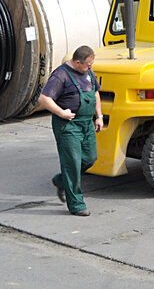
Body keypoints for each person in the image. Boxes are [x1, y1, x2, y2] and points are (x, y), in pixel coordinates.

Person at [38, 45, 104, 216]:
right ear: (77, 62)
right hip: (68, 125)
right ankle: (76, 204)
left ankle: (61, 180)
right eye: (88, 65)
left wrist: (99, 116)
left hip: (87, 124)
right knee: (72, 163)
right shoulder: (61, 75)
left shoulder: (88, 73)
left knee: (90, 158)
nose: (90, 68)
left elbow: (95, 93)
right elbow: (44, 98)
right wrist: (61, 113)